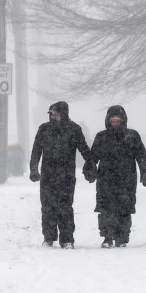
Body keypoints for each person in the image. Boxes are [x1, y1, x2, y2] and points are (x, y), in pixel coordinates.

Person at [30, 101, 93, 249]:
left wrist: (90, 165)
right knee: (47, 207)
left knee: (65, 208)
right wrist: (34, 169)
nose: (54, 117)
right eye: (52, 114)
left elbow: (84, 149)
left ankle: (67, 239)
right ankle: (49, 237)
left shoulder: (74, 130)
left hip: (66, 176)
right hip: (48, 176)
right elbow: (36, 151)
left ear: (64, 114)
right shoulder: (44, 129)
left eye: (56, 114)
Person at [88, 105, 146, 248]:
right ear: (108, 121)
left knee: (124, 209)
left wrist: (145, 172)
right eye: (113, 121)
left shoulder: (132, 136)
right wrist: (90, 171)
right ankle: (107, 237)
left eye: (118, 121)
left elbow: (141, 155)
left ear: (123, 121)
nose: (115, 124)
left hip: (126, 179)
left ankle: (122, 238)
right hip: (105, 179)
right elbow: (93, 157)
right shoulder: (101, 137)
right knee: (105, 209)